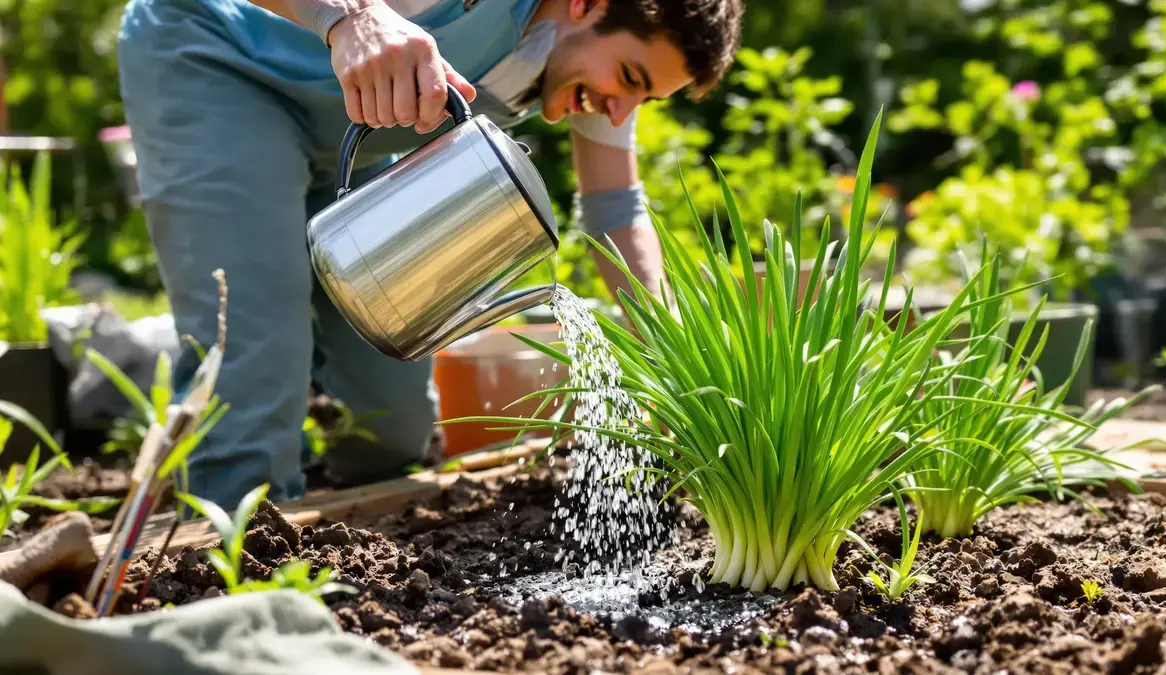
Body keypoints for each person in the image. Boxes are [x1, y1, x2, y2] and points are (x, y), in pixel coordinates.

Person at [114, 0, 745, 510]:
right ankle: (236, 572)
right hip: (219, 66)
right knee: (256, 350)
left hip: (349, 146)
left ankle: (341, 523)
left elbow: (615, 209)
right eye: (630, 81)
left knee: (393, 421)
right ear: (587, 5)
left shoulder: (593, 74)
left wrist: (676, 355)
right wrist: (350, 16)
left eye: (646, 99)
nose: (621, 111)